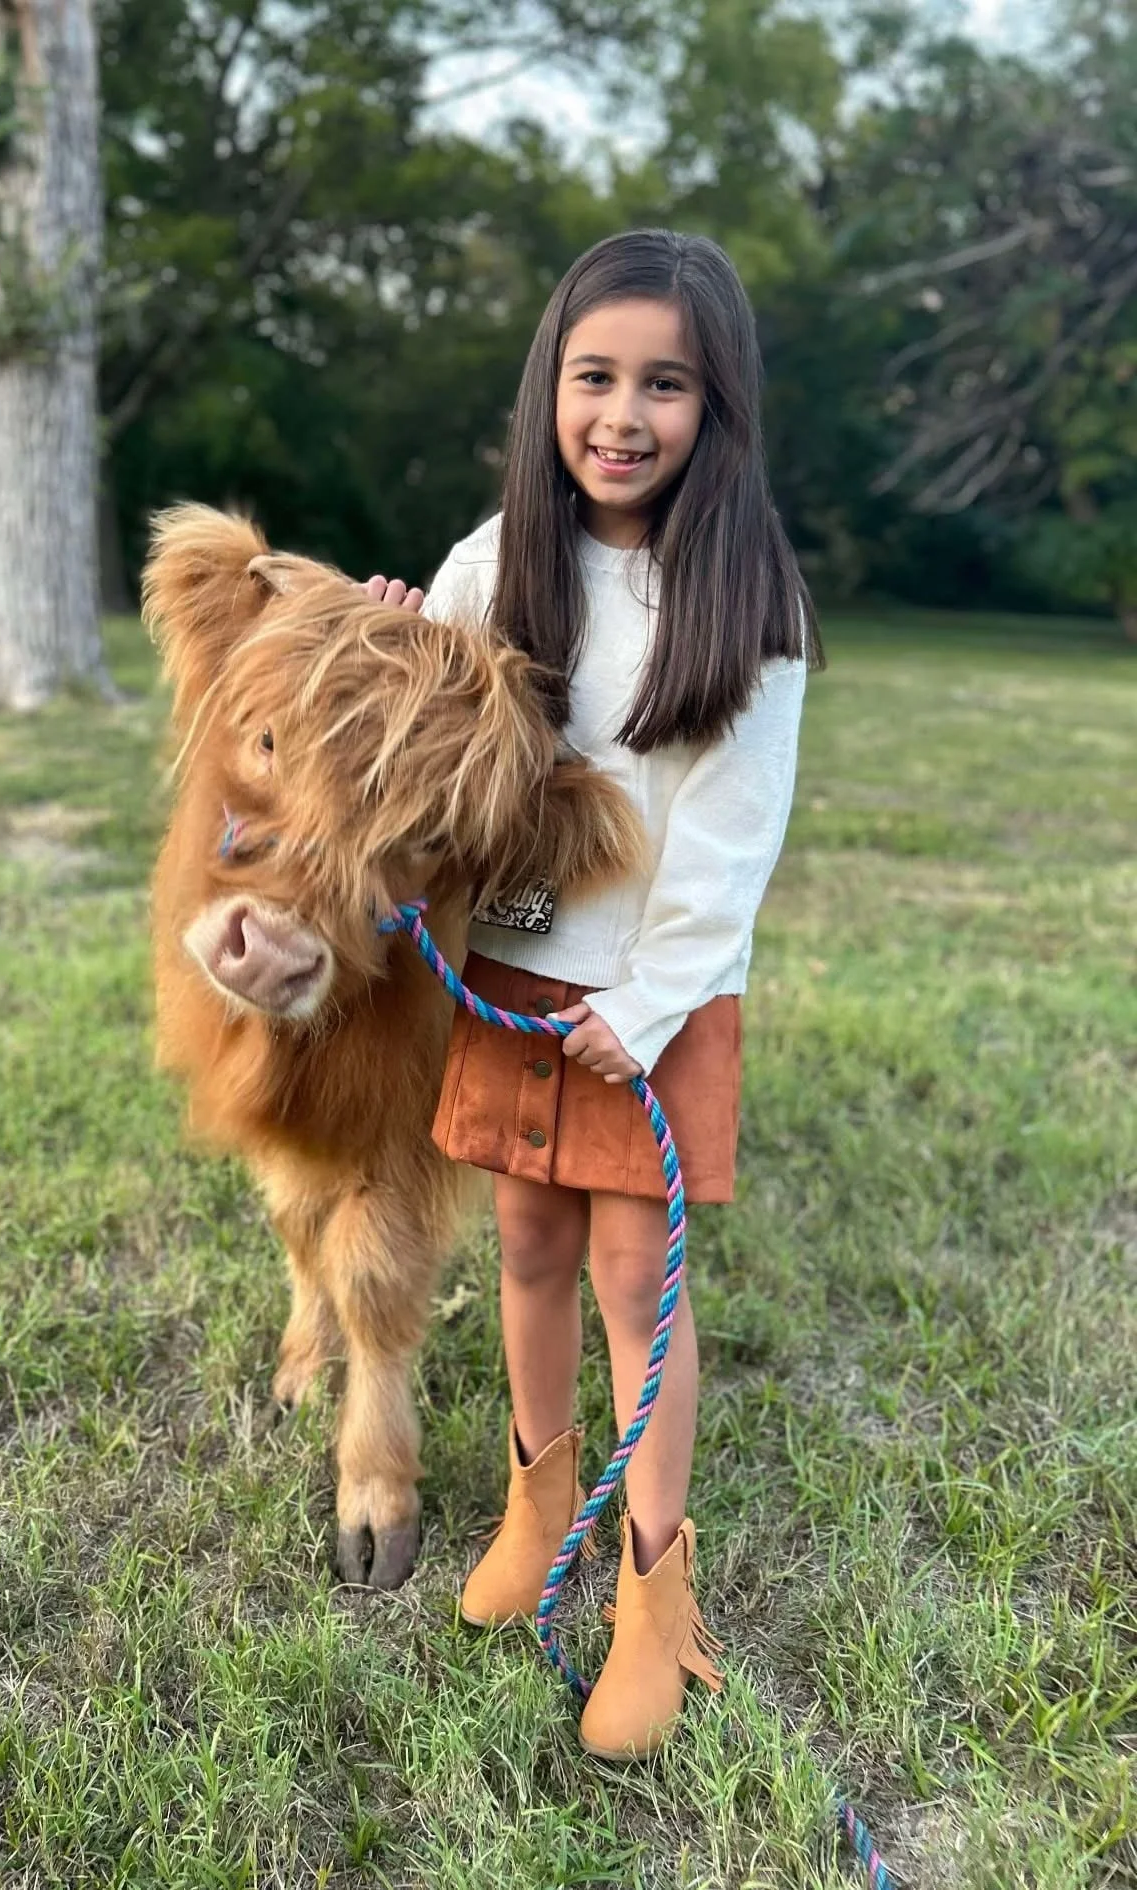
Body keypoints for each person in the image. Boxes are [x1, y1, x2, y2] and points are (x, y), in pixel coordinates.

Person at [364, 228, 821, 1760]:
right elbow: (428, 730)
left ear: (719, 407)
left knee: (642, 1284)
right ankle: (535, 1497)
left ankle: (653, 1589)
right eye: (595, 375)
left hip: (648, 1006)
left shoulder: (749, 600)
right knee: (528, 1244)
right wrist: (382, 643)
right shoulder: (496, 562)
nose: (623, 414)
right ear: (549, 387)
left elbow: (732, 843)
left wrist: (658, 998)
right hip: (514, 976)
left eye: (666, 384)